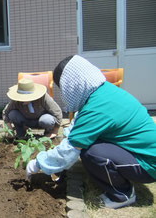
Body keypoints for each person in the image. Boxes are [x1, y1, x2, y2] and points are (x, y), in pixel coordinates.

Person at [25, 55, 156, 209]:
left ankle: (122, 195)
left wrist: (39, 163)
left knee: (91, 153)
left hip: (148, 164)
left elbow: (70, 149)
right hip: (142, 152)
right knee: (87, 144)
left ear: (72, 84)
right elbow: (78, 124)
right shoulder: (103, 92)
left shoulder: (97, 108)